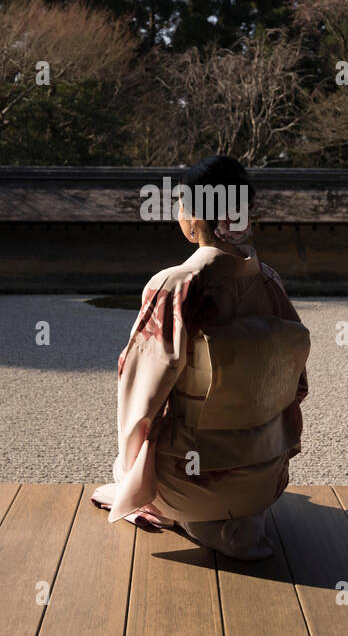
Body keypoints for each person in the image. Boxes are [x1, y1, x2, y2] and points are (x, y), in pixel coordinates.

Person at [91, 155, 310, 561]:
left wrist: (131, 474)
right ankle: (235, 519)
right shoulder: (269, 282)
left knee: (128, 462)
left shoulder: (175, 285)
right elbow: (296, 386)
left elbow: (139, 401)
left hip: (189, 481)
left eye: (180, 205)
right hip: (264, 478)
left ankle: (180, 512)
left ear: (193, 219)